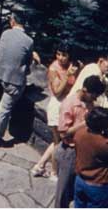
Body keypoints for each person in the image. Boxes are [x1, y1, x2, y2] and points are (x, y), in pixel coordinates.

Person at [0, 13, 41, 147]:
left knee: (4, 103)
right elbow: (27, 62)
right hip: (13, 81)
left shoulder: (5, 34)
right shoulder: (29, 41)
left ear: (13, 21)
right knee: (5, 108)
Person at [54, 75, 106, 208]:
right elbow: (63, 133)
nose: (95, 99)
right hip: (69, 151)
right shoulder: (70, 104)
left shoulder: (90, 104)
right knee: (63, 191)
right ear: (84, 90)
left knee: (75, 190)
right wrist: (85, 123)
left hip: (83, 151)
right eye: (93, 95)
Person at [67, 53, 108, 153]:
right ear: (101, 61)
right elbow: (99, 105)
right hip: (82, 110)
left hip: (86, 106)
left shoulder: (99, 72)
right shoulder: (94, 75)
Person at [32, 44, 81, 178]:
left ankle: (40, 166)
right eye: (58, 54)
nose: (60, 58)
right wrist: (67, 76)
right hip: (57, 106)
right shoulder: (54, 68)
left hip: (68, 106)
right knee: (58, 142)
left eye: (64, 55)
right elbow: (57, 92)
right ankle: (53, 172)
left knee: (57, 141)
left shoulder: (74, 65)